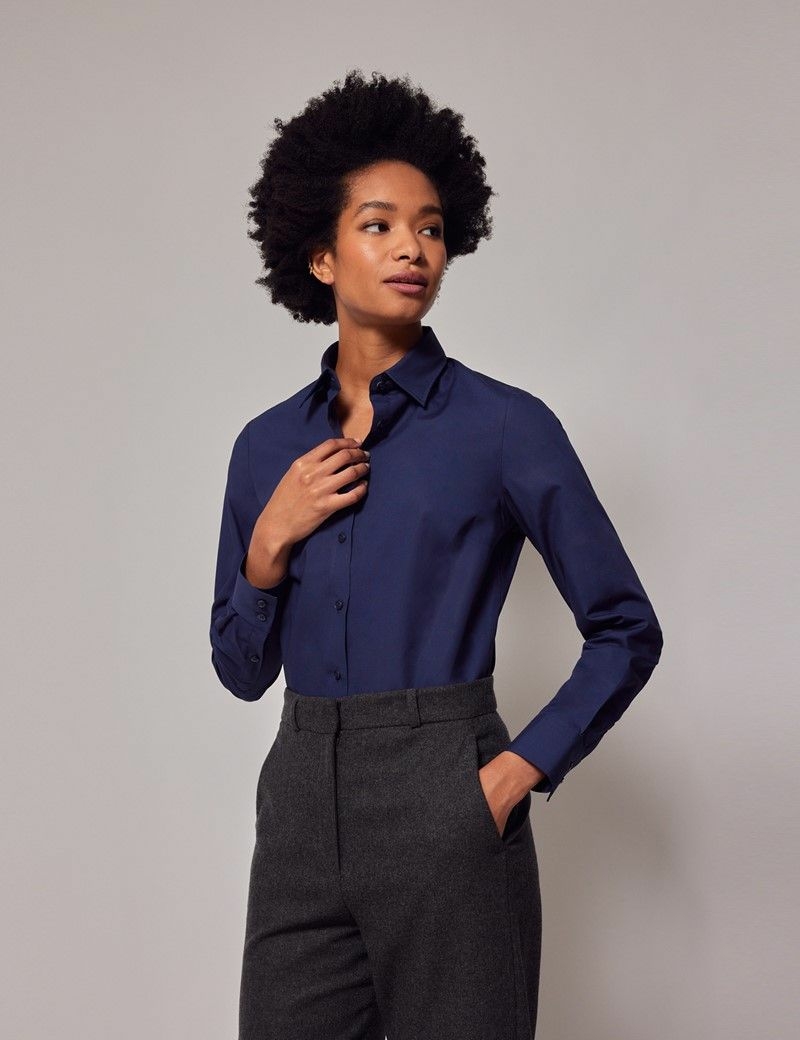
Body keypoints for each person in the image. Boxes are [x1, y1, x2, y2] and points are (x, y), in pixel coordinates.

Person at [210, 68, 663, 1040]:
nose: (412, 247)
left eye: (428, 227)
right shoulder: (264, 448)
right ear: (321, 256)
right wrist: (266, 544)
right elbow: (240, 671)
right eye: (377, 225)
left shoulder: (503, 427)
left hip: (446, 792)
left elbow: (625, 628)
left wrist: (511, 773)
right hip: (298, 802)